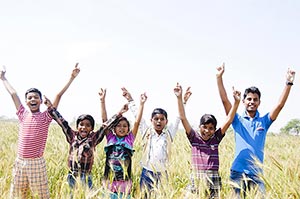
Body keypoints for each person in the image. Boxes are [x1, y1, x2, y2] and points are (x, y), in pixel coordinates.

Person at [216, 63, 296, 198]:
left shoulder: (264, 121)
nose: (252, 102)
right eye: (249, 99)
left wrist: (288, 83)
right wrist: (219, 77)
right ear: (243, 101)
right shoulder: (236, 119)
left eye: (255, 99)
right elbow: (225, 101)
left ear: (259, 102)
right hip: (237, 172)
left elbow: (280, 105)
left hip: (257, 173)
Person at [0, 63, 80, 199]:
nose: (33, 99)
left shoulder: (46, 116)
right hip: (20, 161)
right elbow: (13, 93)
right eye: (30, 98)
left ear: (41, 101)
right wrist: (3, 78)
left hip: (36, 163)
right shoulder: (22, 114)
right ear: (26, 101)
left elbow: (58, 95)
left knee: (41, 195)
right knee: (17, 195)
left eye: (36, 97)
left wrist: (71, 78)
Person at [45, 94, 129, 197]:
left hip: (86, 177)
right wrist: (50, 107)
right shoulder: (72, 136)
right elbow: (62, 122)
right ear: (77, 126)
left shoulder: (93, 139)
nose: (84, 127)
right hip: (71, 175)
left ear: (92, 128)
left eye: (88, 125)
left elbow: (105, 126)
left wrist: (119, 113)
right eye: (81, 124)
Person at [121, 87, 191, 198]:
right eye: (156, 118)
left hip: (163, 173)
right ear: (151, 120)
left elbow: (178, 118)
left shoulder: (169, 133)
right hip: (147, 172)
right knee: (144, 196)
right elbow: (137, 117)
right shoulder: (147, 131)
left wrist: (183, 101)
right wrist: (130, 100)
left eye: (162, 119)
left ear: (166, 121)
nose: (159, 121)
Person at [175, 82, 241, 199]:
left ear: (215, 129)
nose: (207, 131)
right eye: (204, 127)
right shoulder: (194, 138)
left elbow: (229, 120)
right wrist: (179, 98)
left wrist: (236, 103)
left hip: (213, 178)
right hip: (196, 176)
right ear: (199, 126)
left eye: (211, 128)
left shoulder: (216, 139)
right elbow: (183, 117)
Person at [100, 88, 147, 199]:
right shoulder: (110, 137)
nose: (122, 128)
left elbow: (137, 122)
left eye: (125, 126)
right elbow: (104, 121)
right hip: (109, 180)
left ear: (128, 129)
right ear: (114, 128)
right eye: (119, 126)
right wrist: (102, 101)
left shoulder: (129, 139)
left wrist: (141, 104)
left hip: (124, 182)